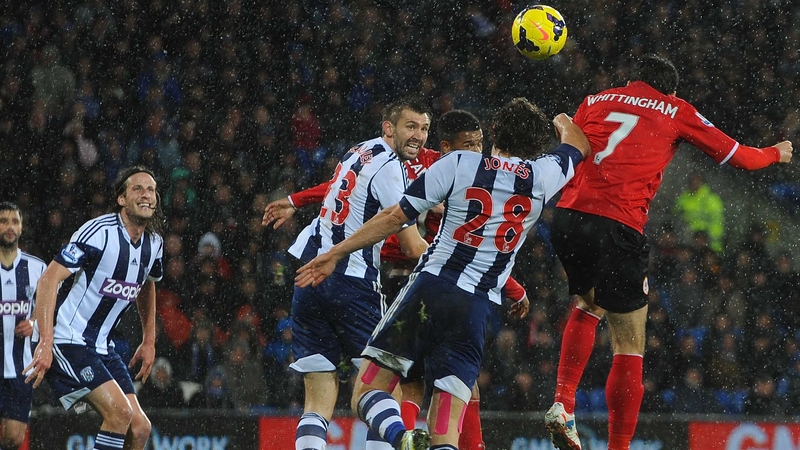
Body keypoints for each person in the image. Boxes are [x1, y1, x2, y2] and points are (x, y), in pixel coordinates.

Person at [295, 99, 590, 450]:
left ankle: (401, 438)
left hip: (429, 291)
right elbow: (578, 143)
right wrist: (561, 119)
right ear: (536, 145)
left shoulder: (459, 163)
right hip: (475, 310)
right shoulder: (545, 175)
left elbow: (394, 217)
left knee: (369, 390)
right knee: (447, 425)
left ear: (494, 132)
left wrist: (335, 253)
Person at [546, 54, 793, 450]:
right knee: (629, 343)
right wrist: (776, 152)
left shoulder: (595, 100)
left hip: (568, 217)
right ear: (671, 90)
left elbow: (574, 141)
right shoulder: (675, 109)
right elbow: (741, 158)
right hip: (618, 223)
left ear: (632, 80)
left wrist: (561, 119)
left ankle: (562, 401)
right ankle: (619, 447)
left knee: (588, 304)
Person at [264, 97, 432, 450]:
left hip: (310, 275)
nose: (418, 135)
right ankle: (401, 439)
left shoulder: (359, 150)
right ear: (389, 128)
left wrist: (294, 201)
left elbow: (337, 189)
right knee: (384, 387)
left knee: (317, 398)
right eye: (411, 127)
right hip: (352, 282)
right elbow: (411, 245)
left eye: (424, 128)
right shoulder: (391, 169)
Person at [24, 166, 165, 450]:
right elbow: (48, 280)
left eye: (151, 190)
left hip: (102, 347)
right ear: (122, 199)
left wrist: (149, 340)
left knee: (140, 428)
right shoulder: (99, 233)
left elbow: (148, 283)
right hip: (67, 340)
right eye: (137, 189)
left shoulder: (154, 243)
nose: (146, 194)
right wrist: (46, 342)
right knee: (119, 413)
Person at [0, 202, 46, 450]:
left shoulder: (37, 267)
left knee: (14, 438)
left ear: (21, 227)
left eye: (15, 222)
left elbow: (48, 307)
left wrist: (34, 323)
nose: (10, 226)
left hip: (21, 366)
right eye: (4, 221)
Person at [673, 173, 725, 252]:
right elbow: (675, 212)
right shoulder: (684, 198)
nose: (694, 184)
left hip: (708, 241)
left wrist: (709, 239)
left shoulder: (711, 199)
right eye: (692, 182)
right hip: (689, 241)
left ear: (702, 183)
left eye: (697, 182)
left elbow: (716, 221)